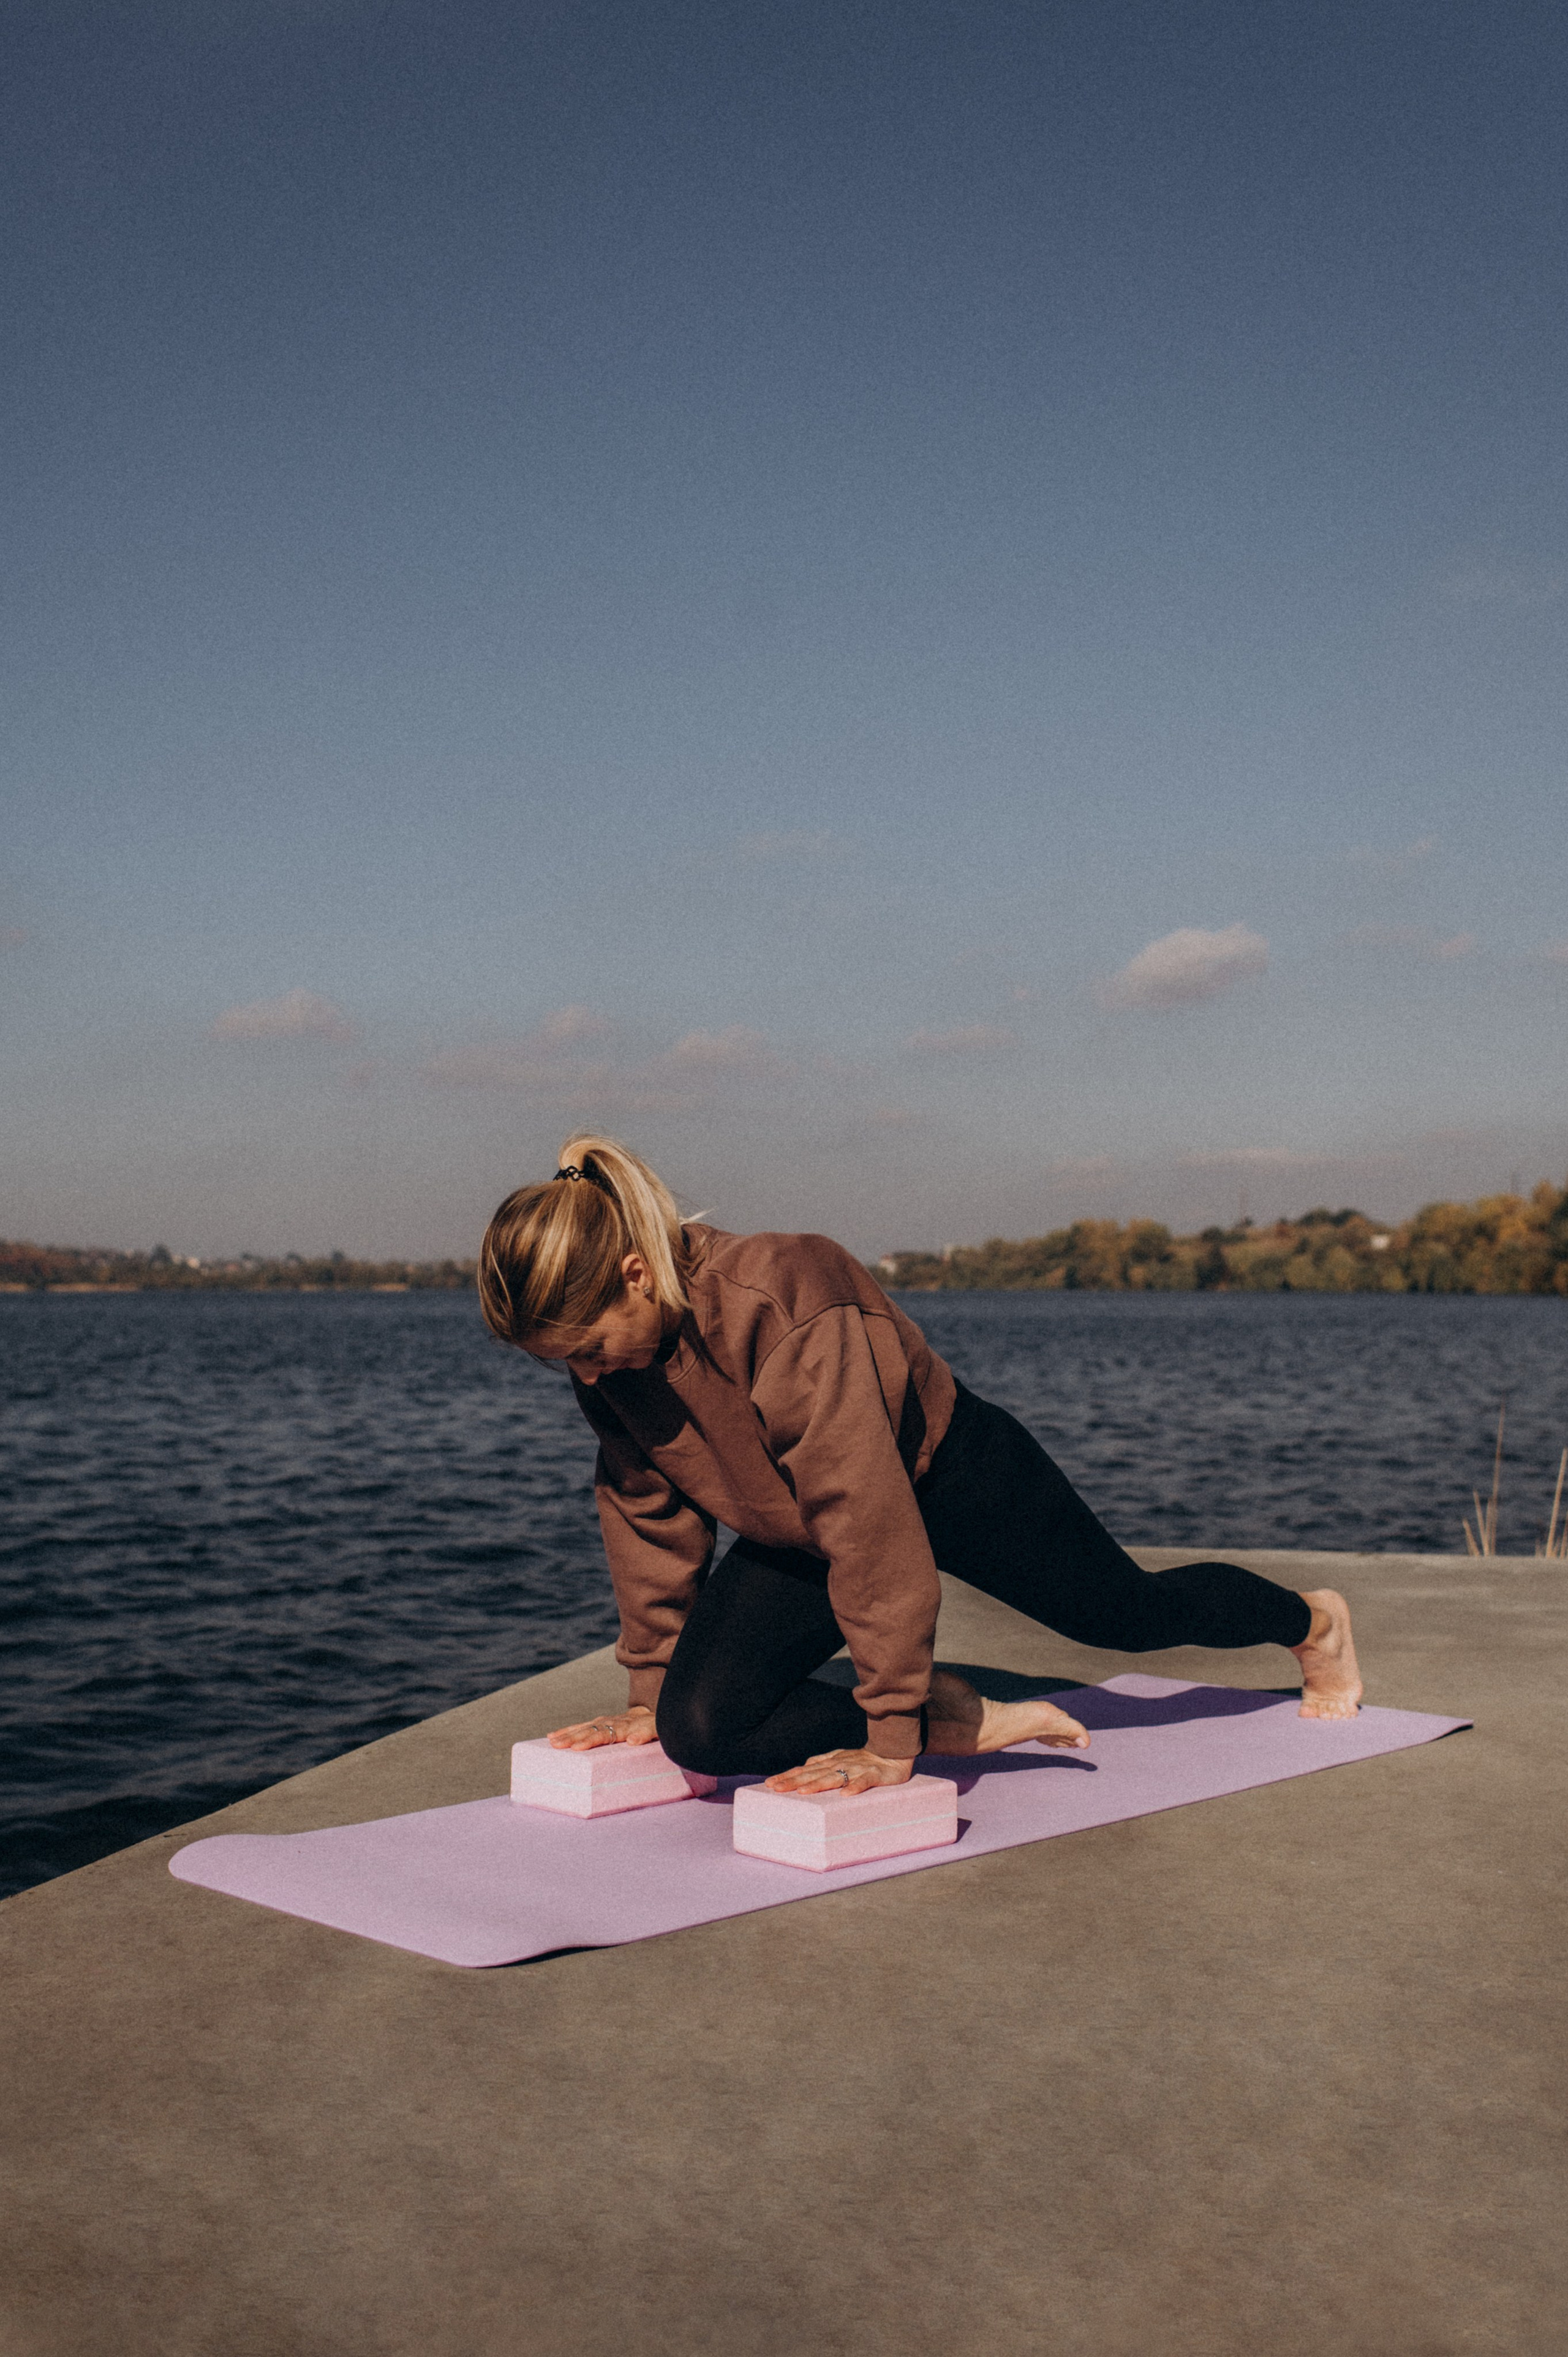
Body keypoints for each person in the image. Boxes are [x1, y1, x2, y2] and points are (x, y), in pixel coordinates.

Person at [478, 1137, 1362, 1798]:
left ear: (636, 1275)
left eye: (589, 1347)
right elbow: (645, 1516)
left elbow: (862, 1510)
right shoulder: (614, 1369)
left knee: (1122, 1614)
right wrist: (653, 1685)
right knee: (699, 1729)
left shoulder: (781, 1293)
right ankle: (963, 1717)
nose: (586, 1376)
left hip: (950, 1476)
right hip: (801, 1533)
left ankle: (1310, 1623)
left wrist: (891, 1737)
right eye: (565, 1362)